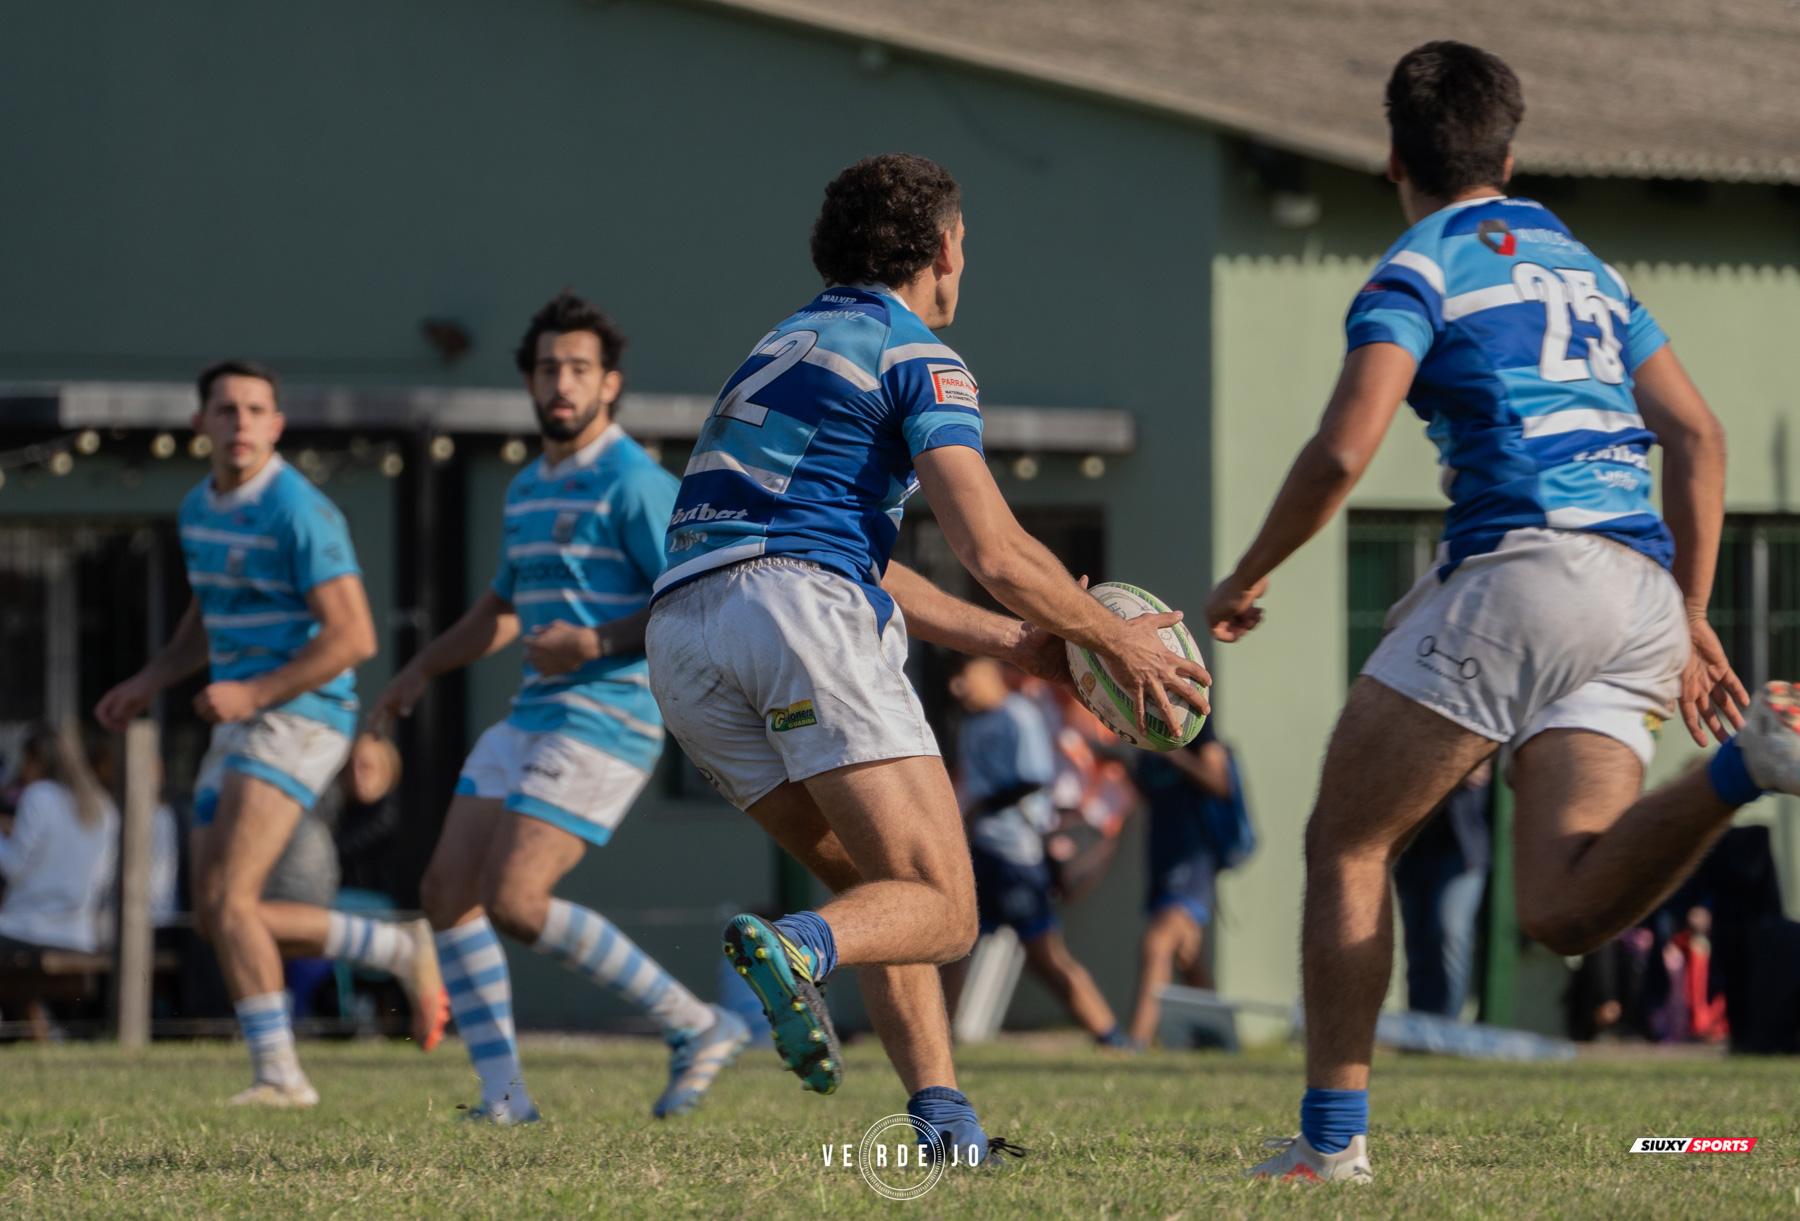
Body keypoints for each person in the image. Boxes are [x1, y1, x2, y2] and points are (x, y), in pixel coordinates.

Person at [1203, 40, 1800, 1183]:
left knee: (1350, 840)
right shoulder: (1586, 266)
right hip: (1635, 593)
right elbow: (1701, 435)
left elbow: (1340, 448)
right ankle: (1743, 771)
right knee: (1566, 909)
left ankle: (1330, 1151)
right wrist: (1692, 609)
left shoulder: (1416, 266)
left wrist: (1249, 571)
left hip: (1525, 573)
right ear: (1512, 155)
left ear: (1392, 158)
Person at [646, 153, 1207, 1164]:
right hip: (798, 615)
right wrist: (1113, 638)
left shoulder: (783, 344)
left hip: (684, 633)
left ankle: (944, 1127)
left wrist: (1018, 645)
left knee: (886, 893)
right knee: (945, 909)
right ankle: (796, 948)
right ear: (945, 251)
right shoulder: (916, 353)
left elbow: (864, 560)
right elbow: (992, 547)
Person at [372, 292, 744, 1125]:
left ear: (610, 384)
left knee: (515, 899)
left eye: (579, 368)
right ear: (531, 382)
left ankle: (696, 1024)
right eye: (548, 368)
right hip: (535, 711)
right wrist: (422, 667)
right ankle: (505, 1098)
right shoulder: (525, 487)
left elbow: (689, 598)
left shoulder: (638, 481)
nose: (562, 383)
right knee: (444, 892)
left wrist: (593, 643)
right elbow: (501, 605)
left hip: (609, 710)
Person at [95, 360, 447, 1107]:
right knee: (218, 908)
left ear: (277, 424)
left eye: (256, 409)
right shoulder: (199, 508)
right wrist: (151, 679)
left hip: (303, 714)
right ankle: (390, 944)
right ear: (202, 424)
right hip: (242, 714)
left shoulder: (297, 507)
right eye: (226, 410)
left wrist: (252, 688)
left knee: (231, 899)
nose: (241, 422)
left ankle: (282, 1075)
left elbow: (352, 635)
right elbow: (211, 612)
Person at [940, 656, 1127, 1048]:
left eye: (967, 679)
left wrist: (979, 808)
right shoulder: (972, 722)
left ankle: (1110, 1035)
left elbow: (1032, 780)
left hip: (1017, 852)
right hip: (981, 849)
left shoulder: (1018, 715)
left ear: (991, 678)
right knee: (958, 946)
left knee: (1045, 955)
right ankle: (942, 1038)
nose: (960, 688)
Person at [1127, 711, 1230, 1047]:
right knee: (1187, 955)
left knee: (1157, 944)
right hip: (1162, 857)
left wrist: (1173, 753)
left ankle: (1137, 1044)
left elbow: (1219, 782)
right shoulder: (1137, 726)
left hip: (1193, 856)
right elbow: (1152, 791)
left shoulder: (1194, 727)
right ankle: (1219, 1041)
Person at [0, 724, 119, 958]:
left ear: (37, 761)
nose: (22, 772)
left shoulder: (38, 795)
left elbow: (14, 868)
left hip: (26, 930)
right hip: (80, 936)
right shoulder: (104, 805)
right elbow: (103, 878)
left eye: (24, 762)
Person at [1393, 759, 1492, 1019]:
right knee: (1418, 945)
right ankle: (1419, 1030)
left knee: (1451, 931)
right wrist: (1449, 767)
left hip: (1463, 851)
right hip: (1413, 847)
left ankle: (1445, 1031)